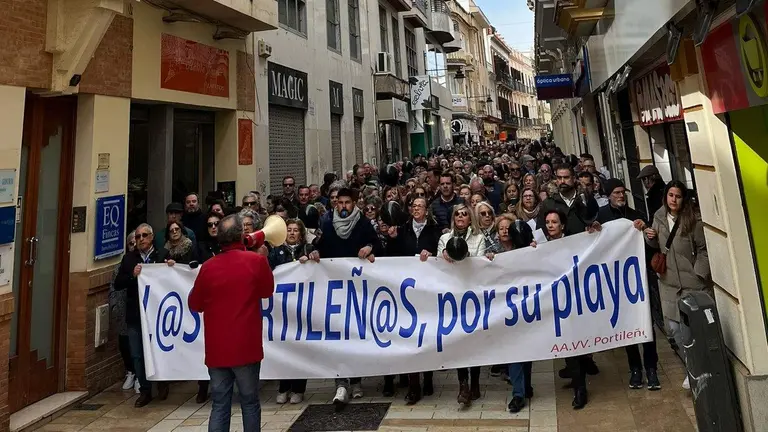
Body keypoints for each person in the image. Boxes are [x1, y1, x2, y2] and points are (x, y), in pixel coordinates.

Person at [189, 214, 275, 432]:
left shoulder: (208, 267)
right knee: (249, 402)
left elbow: (194, 304)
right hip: (246, 346)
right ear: (242, 234)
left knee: (219, 403)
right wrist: (263, 258)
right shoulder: (255, 261)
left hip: (218, 349)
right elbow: (267, 291)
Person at [307, 187, 381, 406]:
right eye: (339, 203)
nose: (343, 207)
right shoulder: (327, 225)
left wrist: (369, 248)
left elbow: (377, 245)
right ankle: (340, 382)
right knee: (338, 336)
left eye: (347, 203)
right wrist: (314, 252)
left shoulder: (363, 224)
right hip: (335, 290)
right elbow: (317, 246)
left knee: (355, 335)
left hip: (357, 290)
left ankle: (356, 379)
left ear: (354, 203)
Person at [644, 180, 711, 390]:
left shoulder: (694, 220)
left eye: (678, 196)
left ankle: (696, 370)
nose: (674, 200)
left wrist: (699, 273)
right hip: (669, 284)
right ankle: (692, 367)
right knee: (674, 330)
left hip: (692, 284)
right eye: (671, 195)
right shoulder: (659, 217)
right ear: (666, 196)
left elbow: (703, 249)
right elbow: (656, 246)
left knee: (692, 330)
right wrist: (650, 238)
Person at [596, 179, 661, 390]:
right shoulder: (602, 217)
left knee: (645, 324)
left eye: (623, 192)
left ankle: (651, 369)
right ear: (609, 195)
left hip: (638, 279)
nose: (620, 195)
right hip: (616, 280)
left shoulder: (636, 215)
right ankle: (635, 369)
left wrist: (646, 231)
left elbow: (650, 245)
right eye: (616, 192)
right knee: (628, 325)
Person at [386, 196, 442, 404]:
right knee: (410, 336)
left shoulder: (434, 231)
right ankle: (413, 385)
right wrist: (391, 239)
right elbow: (391, 257)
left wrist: (433, 254)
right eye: (414, 206)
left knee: (427, 334)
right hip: (406, 291)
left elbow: (441, 255)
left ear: (427, 210)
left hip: (427, 290)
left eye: (421, 206)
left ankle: (428, 376)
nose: (417, 209)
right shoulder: (402, 230)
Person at [114, 223, 173, 407]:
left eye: (144, 235)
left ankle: (163, 383)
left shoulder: (162, 255)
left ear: (152, 237)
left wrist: (171, 266)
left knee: (158, 350)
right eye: (138, 237)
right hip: (136, 314)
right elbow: (118, 283)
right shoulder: (128, 259)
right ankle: (145, 390)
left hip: (158, 315)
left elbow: (173, 281)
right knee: (137, 354)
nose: (141, 240)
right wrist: (132, 275)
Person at [436, 203, 487, 406]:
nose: (461, 217)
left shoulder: (479, 238)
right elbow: (437, 264)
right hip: (452, 296)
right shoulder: (444, 239)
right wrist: (444, 257)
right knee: (459, 341)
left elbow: (479, 262)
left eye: (465, 214)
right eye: (457, 214)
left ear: (470, 219)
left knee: (472, 342)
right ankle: (462, 384)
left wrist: (463, 257)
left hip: (472, 296)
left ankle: (475, 382)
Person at [109, 231, 137, 393]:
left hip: (136, 310)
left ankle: (140, 375)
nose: (134, 245)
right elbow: (114, 286)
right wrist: (114, 305)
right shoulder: (121, 266)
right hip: (122, 309)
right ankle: (130, 371)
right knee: (125, 342)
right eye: (131, 243)